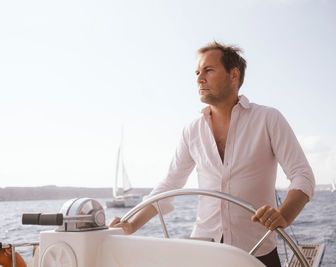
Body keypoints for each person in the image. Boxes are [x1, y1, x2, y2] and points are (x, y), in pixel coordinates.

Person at [110, 41, 315, 267]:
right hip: (204, 252)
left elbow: (302, 175)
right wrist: (130, 224)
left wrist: (283, 215)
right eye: (197, 72)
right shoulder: (191, 131)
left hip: (257, 251)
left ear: (233, 75)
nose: (199, 79)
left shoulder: (268, 119)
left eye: (208, 70)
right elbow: (169, 185)